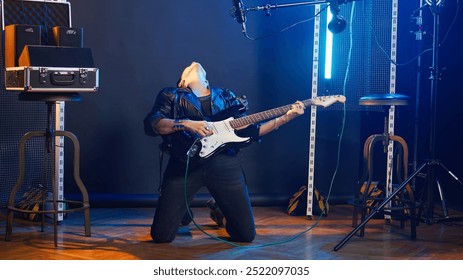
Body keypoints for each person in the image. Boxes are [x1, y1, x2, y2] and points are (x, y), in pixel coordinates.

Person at [143, 61, 305, 243]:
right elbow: (152, 124)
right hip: (184, 165)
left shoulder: (226, 96)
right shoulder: (171, 95)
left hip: (224, 164)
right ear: (182, 81)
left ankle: (220, 213)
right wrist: (187, 123)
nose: (193, 63)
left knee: (245, 236)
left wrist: (286, 117)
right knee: (161, 236)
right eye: (188, 68)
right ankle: (183, 210)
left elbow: (251, 131)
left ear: (206, 80)